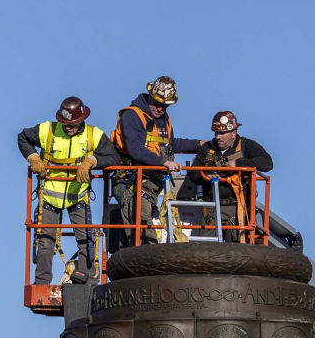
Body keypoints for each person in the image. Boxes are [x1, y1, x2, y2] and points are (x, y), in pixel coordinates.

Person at [17, 97, 118, 285]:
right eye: (65, 124)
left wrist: (91, 162)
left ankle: (87, 283)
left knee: (86, 240)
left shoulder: (93, 135)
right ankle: (42, 284)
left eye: (72, 125)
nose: (68, 128)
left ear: (81, 121)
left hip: (78, 196)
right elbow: (23, 137)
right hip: (49, 196)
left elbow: (113, 157)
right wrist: (34, 159)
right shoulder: (48, 130)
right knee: (46, 241)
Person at [109, 77, 201, 252]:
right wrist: (163, 162)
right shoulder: (132, 116)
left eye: (165, 105)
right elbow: (135, 149)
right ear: (150, 96)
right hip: (132, 181)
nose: (160, 108)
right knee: (140, 221)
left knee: (142, 222)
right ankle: (145, 262)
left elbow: (171, 143)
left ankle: (141, 259)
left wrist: (199, 145)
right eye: (157, 103)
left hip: (153, 182)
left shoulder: (163, 120)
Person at [180, 112, 273, 242]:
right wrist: (206, 174)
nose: (218, 137)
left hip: (236, 208)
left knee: (237, 252)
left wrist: (239, 164)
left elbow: (267, 163)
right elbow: (194, 173)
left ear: (234, 133)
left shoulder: (246, 146)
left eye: (222, 133)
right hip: (211, 208)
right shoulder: (207, 149)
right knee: (202, 252)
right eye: (216, 133)